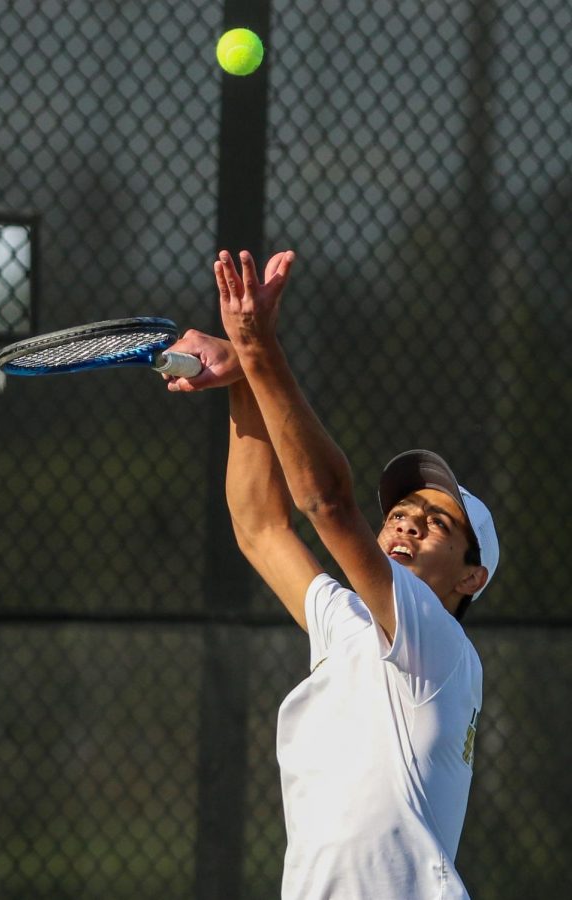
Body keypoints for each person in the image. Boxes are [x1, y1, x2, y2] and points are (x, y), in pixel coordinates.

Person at [163, 249, 499, 900]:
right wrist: (242, 378)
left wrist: (257, 352)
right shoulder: (349, 630)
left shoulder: (441, 646)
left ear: (470, 580)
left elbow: (327, 502)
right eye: (401, 512)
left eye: (437, 524)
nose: (407, 524)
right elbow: (261, 526)